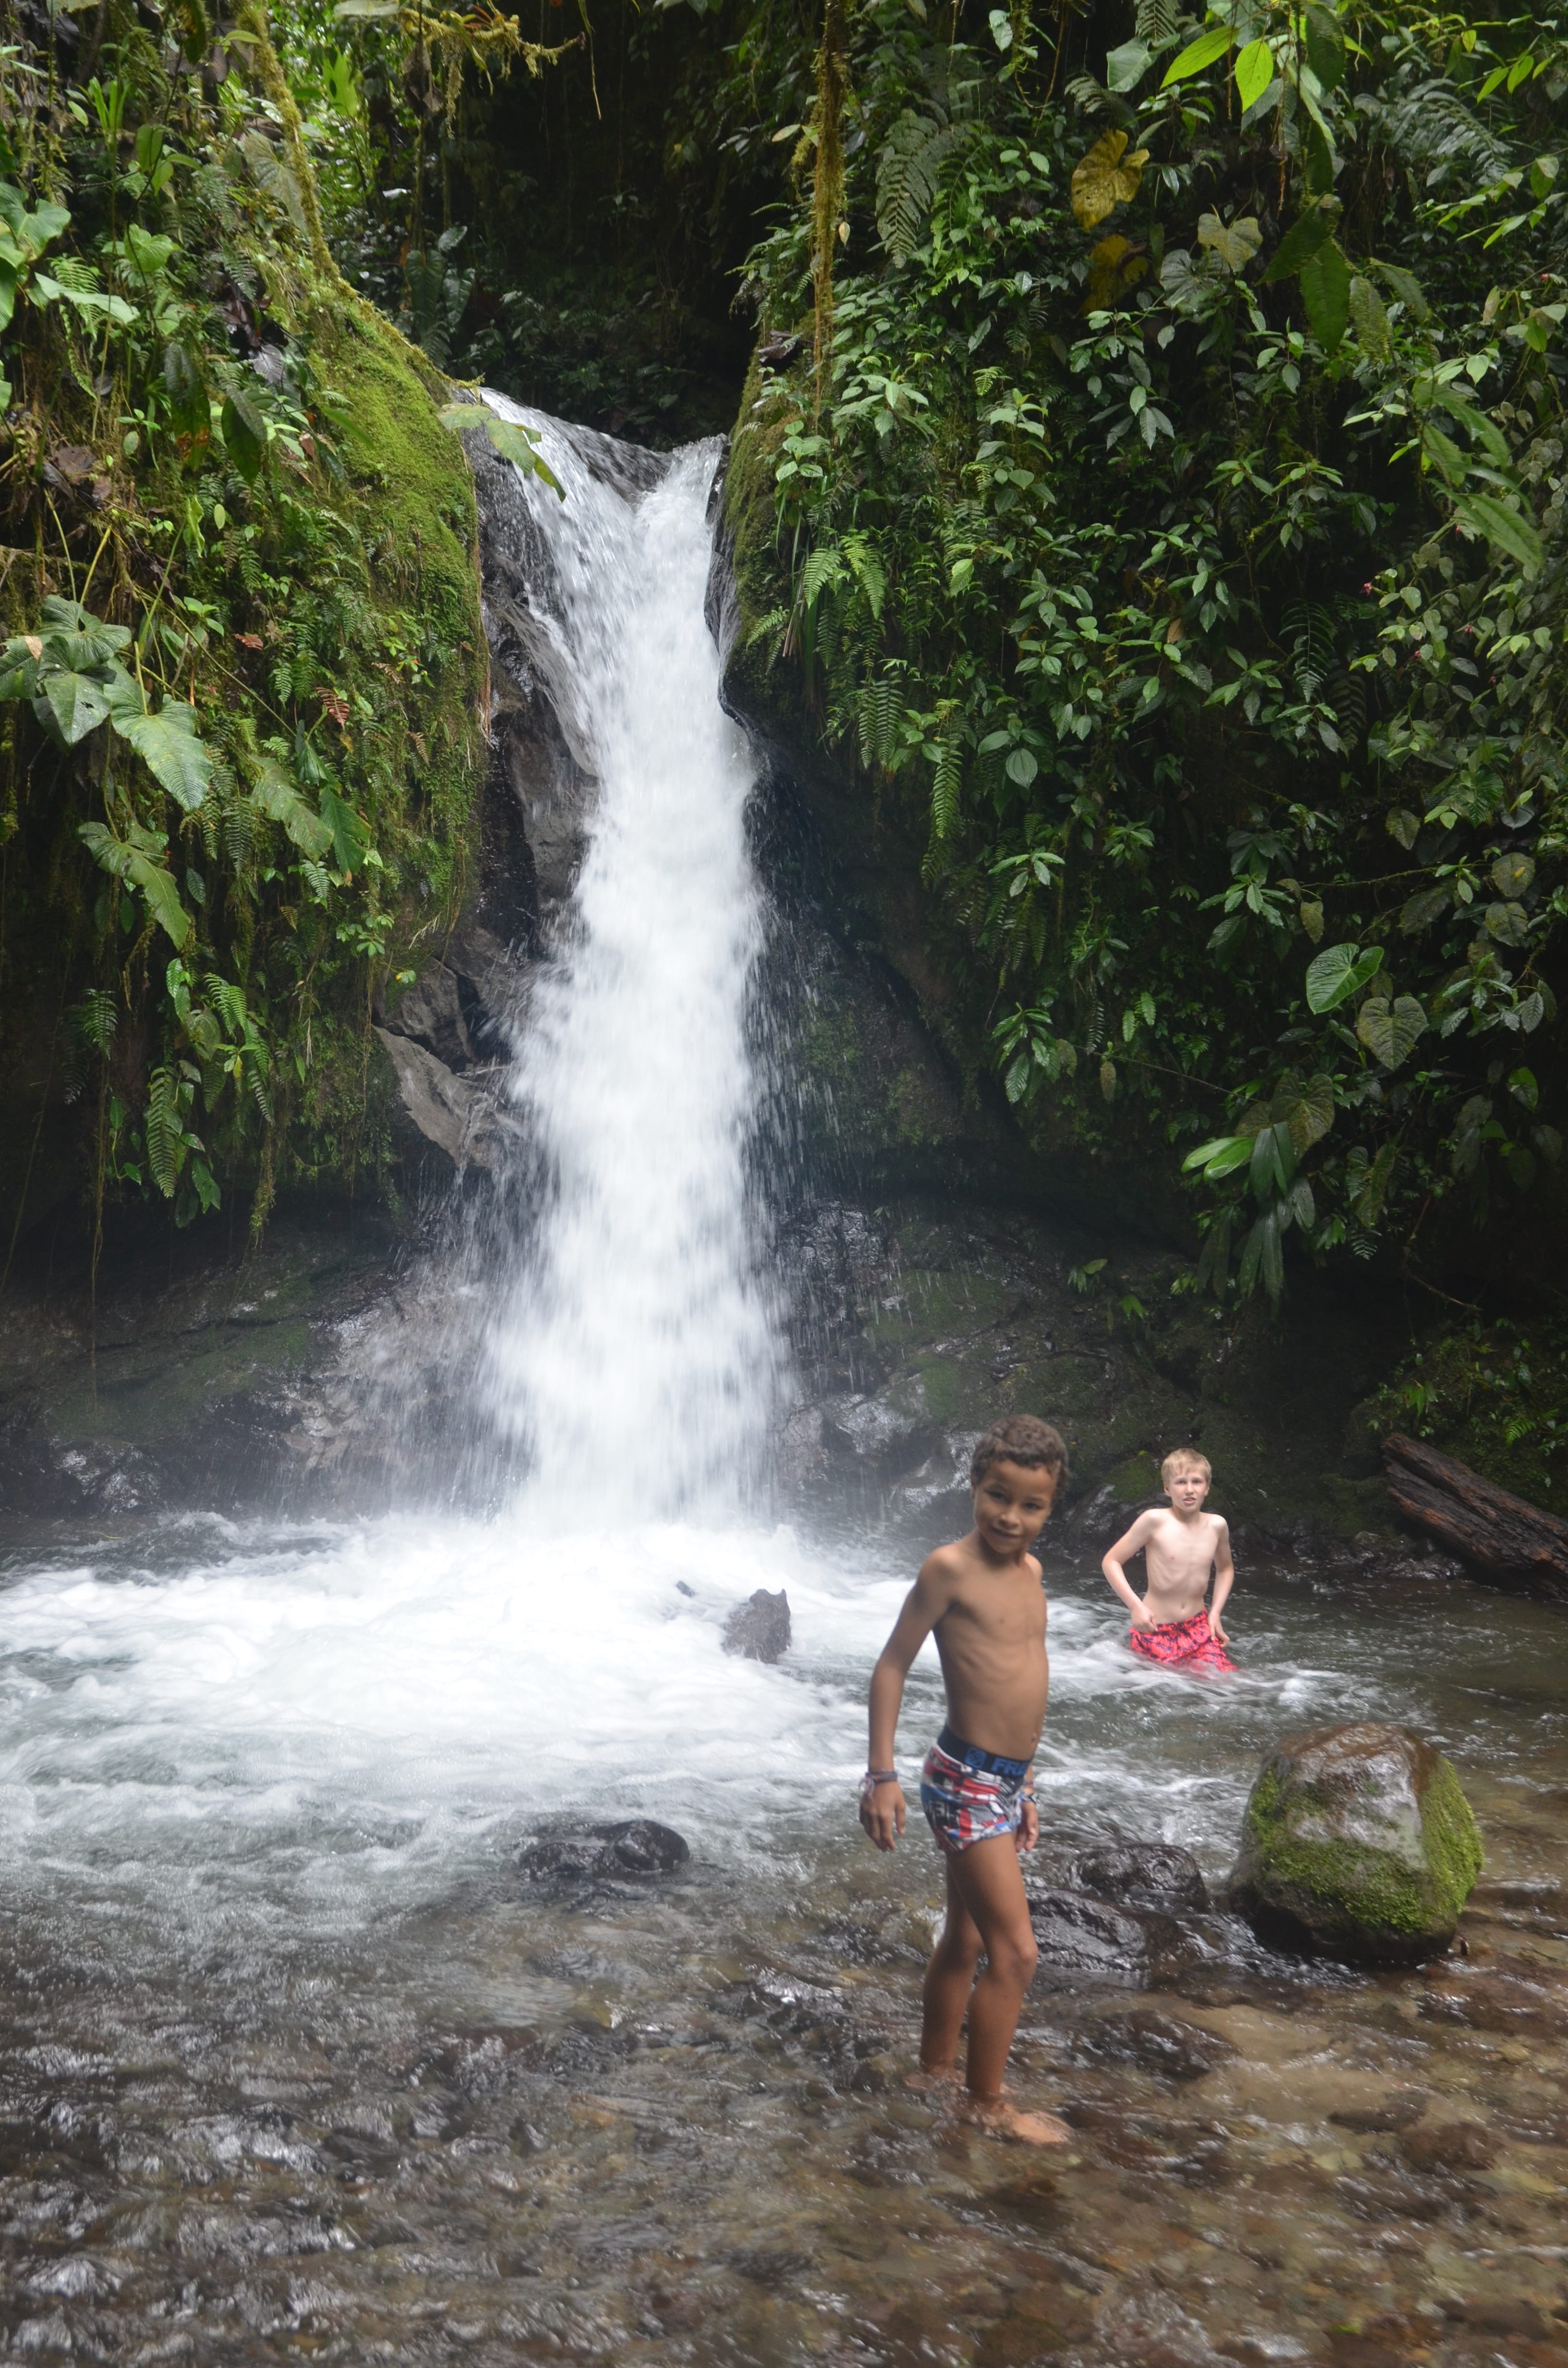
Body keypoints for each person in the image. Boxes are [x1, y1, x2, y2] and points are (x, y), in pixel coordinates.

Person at [858, 1414, 1070, 2146]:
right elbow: (891, 1665)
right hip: (964, 1780)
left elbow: (1022, 1682)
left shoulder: (1032, 1575)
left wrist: (1027, 1784)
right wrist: (881, 1774)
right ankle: (986, 2106)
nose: (1011, 1517)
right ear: (974, 1485)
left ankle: (934, 2071)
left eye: (1031, 1505)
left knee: (969, 1937)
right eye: (998, 1496)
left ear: (1051, 1508)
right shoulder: (948, 1568)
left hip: (1001, 1781)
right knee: (1018, 1953)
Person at [1100, 1447, 1235, 1673]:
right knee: (1163, 1687)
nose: (1189, 1490)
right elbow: (1111, 1561)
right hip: (1156, 1629)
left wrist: (1215, 1613)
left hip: (1199, 1629)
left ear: (1207, 1488)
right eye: (1181, 1482)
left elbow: (1225, 1569)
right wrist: (1136, 1607)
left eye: (1197, 1482)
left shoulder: (1217, 1526)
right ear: (1167, 1489)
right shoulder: (1154, 1521)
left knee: (1225, 1682)